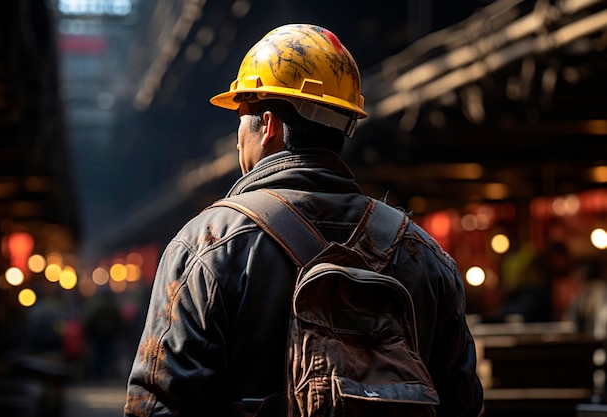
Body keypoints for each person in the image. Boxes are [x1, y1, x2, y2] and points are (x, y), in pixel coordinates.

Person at [124, 23, 483, 417]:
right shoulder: (423, 255)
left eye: (242, 114)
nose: (237, 134)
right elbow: (461, 403)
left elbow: (157, 406)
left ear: (269, 126)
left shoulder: (206, 245)